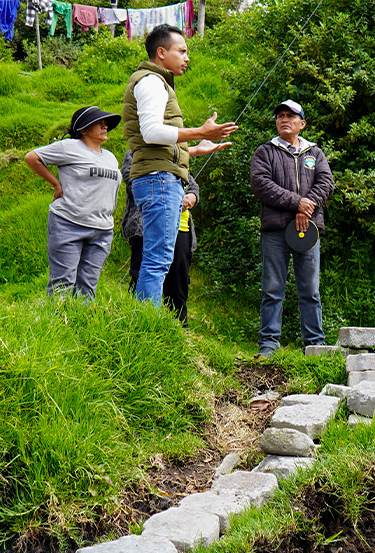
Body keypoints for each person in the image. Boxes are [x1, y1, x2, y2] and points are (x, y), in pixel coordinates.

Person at [121, 23, 237, 307]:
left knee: (158, 257)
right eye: (181, 51)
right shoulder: (151, 81)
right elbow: (151, 132)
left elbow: (157, 142)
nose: (187, 58)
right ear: (161, 52)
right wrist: (201, 131)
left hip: (160, 176)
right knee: (158, 258)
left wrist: (194, 149)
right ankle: (145, 326)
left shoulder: (155, 81)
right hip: (159, 179)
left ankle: (145, 322)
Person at [250, 99, 335, 356]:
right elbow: (260, 184)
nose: (284, 119)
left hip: (308, 229)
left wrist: (306, 209)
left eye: (290, 115)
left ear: (302, 123)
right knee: (272, 288)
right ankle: (268, 345)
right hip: (275, 230)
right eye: (280, 116)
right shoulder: (265, 151)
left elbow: (327, 182)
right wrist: (298, 203)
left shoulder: (315, 153)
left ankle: (315, 345)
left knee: (310, 289)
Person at [24, 104, 122, 299]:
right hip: (69, 222)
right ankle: (56, 325)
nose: (105, 126)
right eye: (99, 123)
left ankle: (79, 326)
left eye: (106, 123)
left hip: (102, 228)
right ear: (83, 129)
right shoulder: (69, 147)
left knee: (88, 285)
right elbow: (32, 157)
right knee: (63, 282)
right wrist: (56, 184)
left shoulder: (110, 157)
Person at [120, 149, 199, 326]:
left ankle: (178, 330)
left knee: (178, 282)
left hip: (181, 228)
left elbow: (191, 183)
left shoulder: (175, 153)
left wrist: (191, 197)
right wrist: (171, 195)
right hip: (147, 224)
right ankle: (137, 323)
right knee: (143, 273)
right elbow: (132, 181)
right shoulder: (135, 153)